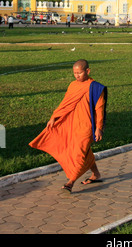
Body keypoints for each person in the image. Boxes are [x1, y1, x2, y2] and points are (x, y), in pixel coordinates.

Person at [29, 59, 107, 195]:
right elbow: (65, 103)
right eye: (75, 73)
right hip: (71, 123)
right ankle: (96, 174)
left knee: (79, 153)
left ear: (87, 71)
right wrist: (54, 117)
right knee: (84, 151)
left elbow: (99, 109)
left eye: (80, 73)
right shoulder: (72, 85)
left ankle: (70, 182)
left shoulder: (96, 88)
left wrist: (99, 127)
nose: (77, 76)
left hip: (86, 126)